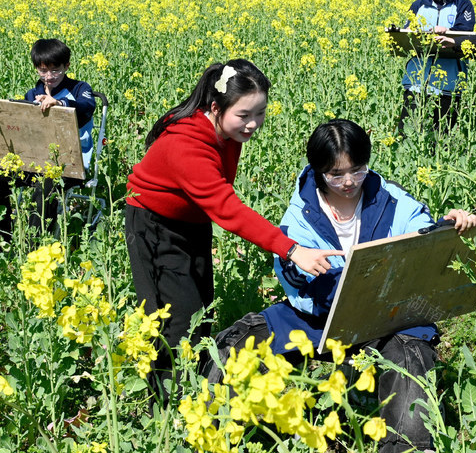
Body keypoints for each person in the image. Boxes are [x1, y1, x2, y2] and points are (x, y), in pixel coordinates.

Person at [210, 119, 476, 453]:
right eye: (336, 175)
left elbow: (423, 243)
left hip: (387, 315)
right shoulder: (301, 213)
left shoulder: (390, 199)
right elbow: (294, 282)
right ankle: (212, 441)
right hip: (320, 316)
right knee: (237, 343)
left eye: (358, 170)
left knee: (412, 354)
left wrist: (449, 227)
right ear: (318, 170)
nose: (349, 182)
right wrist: (313, 274)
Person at [125, 59, 341, 394]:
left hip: (193, 220)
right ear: (216, 107)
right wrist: (292, 250)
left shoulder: (228, 132)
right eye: (244, 115)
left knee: (201, 311)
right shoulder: (187, 145)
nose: (253, 124)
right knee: (172, 320)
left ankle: (199, 390)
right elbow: (227, 209)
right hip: (155, 225)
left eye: (261, 113)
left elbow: (218, 197)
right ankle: (168, 406)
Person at [0, 38, 96, 238]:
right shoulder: (33, 93)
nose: (49, 77)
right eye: (43, 71)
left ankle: (36, 244)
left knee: (46, 184)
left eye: (55, 70)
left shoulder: (80, 89)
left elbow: (86, 107)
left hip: (69, 165)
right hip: (34, 161)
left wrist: (60, 103)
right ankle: (1, 239)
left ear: (67, 66)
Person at [398, 0, 476, 133]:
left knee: (441, 137)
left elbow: (466, 33)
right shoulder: (419, 6)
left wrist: (447, 31)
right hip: (416, 81)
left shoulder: (463, 5)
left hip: (448, 83)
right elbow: (408, 32)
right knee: (407, 132)